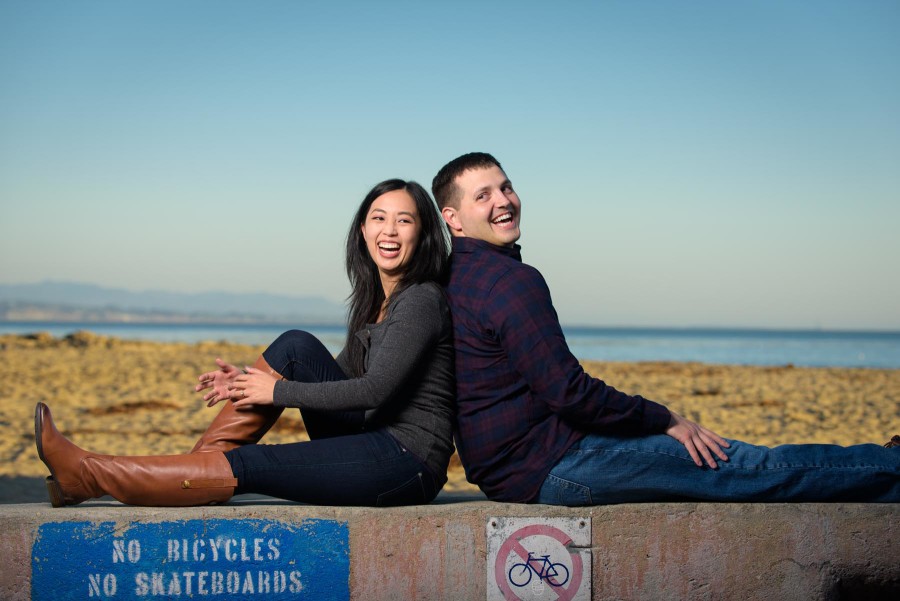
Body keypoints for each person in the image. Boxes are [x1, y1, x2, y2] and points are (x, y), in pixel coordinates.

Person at [432, 152, 900, 505]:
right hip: (551, 464)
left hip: (510, 468)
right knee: (739, 465)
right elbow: (569, 392)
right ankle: (891, 465)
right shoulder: (511, 282)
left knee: (733, 463)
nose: (504, 201)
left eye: (506, 187)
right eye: (484, 195)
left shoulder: (454, 277)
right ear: (453, 219)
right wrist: (666, 418)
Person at [35, 178, 455, 507]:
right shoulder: (376, 302)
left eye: (404, 220)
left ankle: (90, 474)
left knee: (251, 464)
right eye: (379, 218)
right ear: (363, 229)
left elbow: (372, 391)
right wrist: (247, 382)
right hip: (371, 436)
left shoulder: (420, 300)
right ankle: (188, 475)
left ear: (423, 232)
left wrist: (274, 392)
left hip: (405, 461)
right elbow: (338, 376)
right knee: (295, 346)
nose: (390, 230)